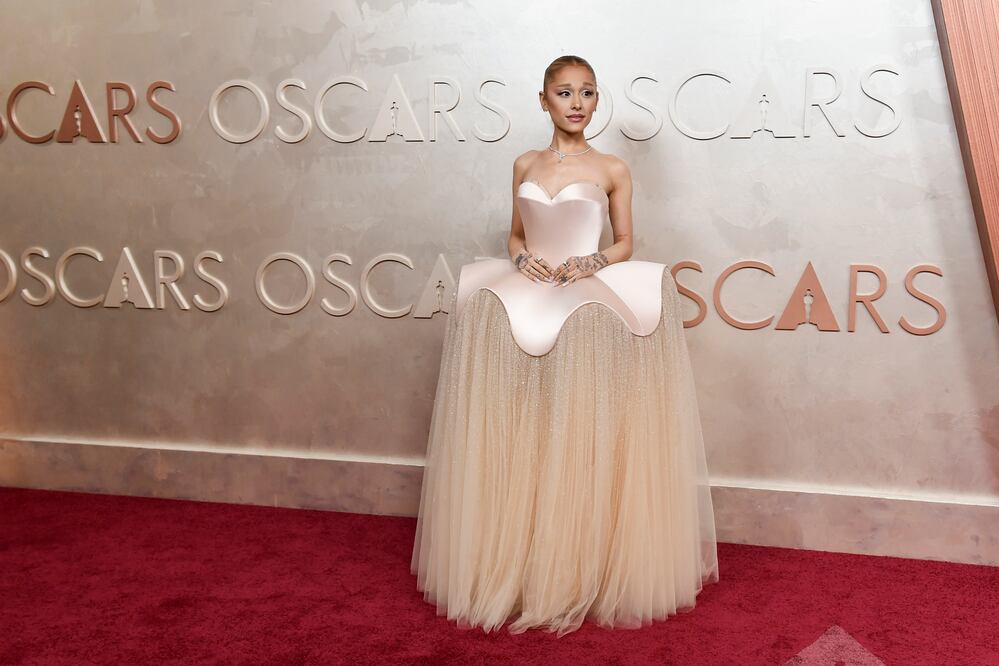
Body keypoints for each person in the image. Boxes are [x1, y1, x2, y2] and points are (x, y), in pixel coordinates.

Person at [410, 55, 719, 637]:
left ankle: (579, 566)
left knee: (580, 426)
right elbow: (516, 232)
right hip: (528, 288)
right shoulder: (524, 163)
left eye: (587, 93)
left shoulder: (612, 167)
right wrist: (519, 256)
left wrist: (593, 261)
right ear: (544, 99)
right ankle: (521, 562)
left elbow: (627, 241)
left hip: (583, 293)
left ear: (596, 100)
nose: (576, 103)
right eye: (564, 93)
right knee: (521, 422)